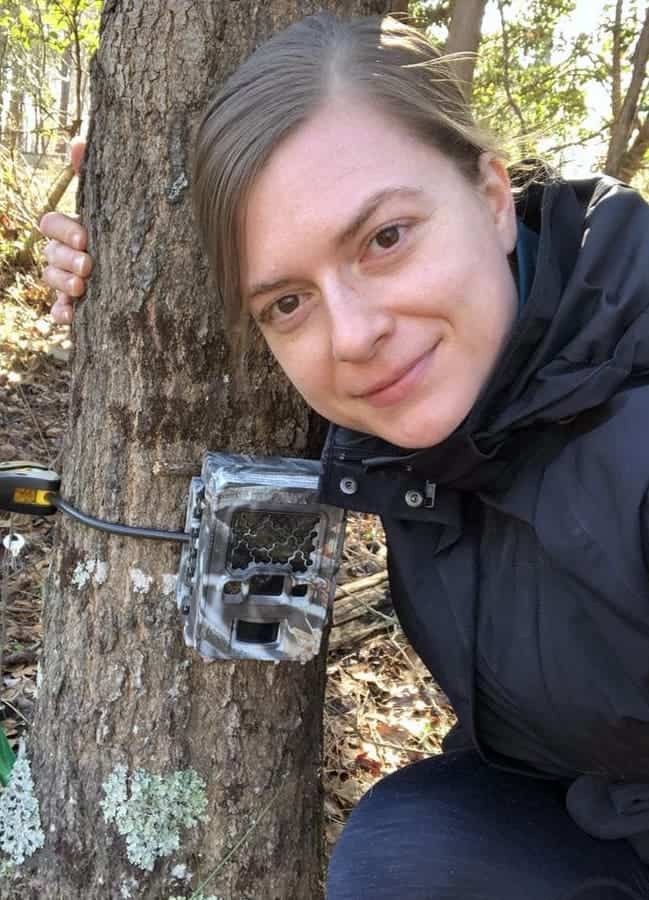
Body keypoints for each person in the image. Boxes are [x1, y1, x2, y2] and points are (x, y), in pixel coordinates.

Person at [40, 14, 649, 900]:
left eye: (385, 238)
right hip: (574, 809)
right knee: (411, 850)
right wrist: (128, 223)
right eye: (288, 301)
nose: (355, 337)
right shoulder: (445, 398)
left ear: (488, 195)